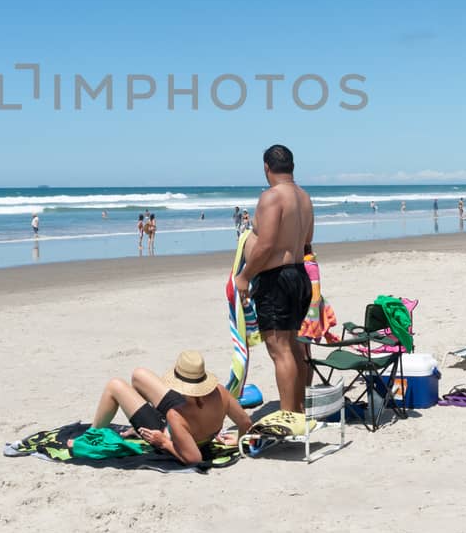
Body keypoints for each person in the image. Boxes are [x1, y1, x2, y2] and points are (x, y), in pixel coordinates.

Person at [234, 144, 315, 415]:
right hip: (299, 276)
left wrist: (245, 276)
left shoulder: (271, 197)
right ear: (292, 166)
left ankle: (289, 415)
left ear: (266, 168)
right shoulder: (304, 197)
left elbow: (266, 245)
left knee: (279, 350)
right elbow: (306, 241)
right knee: (292, 345)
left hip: (276, 280)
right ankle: (299, 409)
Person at [88, 351, 253, 465]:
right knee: (139, 375)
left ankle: (90, 436)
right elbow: (245, 423)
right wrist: (239, 440)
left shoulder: (176, 415)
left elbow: (194, 458)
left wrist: (164, 442)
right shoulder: (221, 392)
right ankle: (135, 426)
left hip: (168, 434)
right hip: (194, 423)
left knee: (114, 385)